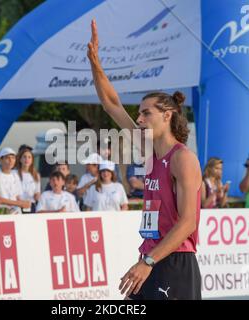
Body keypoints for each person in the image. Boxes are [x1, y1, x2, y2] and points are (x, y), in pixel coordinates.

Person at [87, 20, 202, 300]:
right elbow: (112, 104)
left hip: (173, 261)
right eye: (139, 113)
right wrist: (94, 62)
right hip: (151, 257)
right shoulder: (149, 150)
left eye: (146, 113)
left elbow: (187, 223)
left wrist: (148, 261)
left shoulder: (183, 159)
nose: (138, 118)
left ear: (167, 115)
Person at [0, 147, 30, 214]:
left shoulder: (15, 175)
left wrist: (24, 203)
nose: (11, 160)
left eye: (13, 158)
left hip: (16, 213)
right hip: (1, 213)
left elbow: (17, 196)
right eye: (7, 158)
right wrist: (19, 203)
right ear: (1, 160)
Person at [16, 147, 41, 212]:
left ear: (32, 160)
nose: (27, 159)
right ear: (20, 159)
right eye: (24, 157)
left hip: (31, 205)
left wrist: (38, 196)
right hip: (18, 205)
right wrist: (21, 202)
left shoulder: (36, 175)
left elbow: (37, 192)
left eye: (29, 157)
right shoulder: (14, 174)